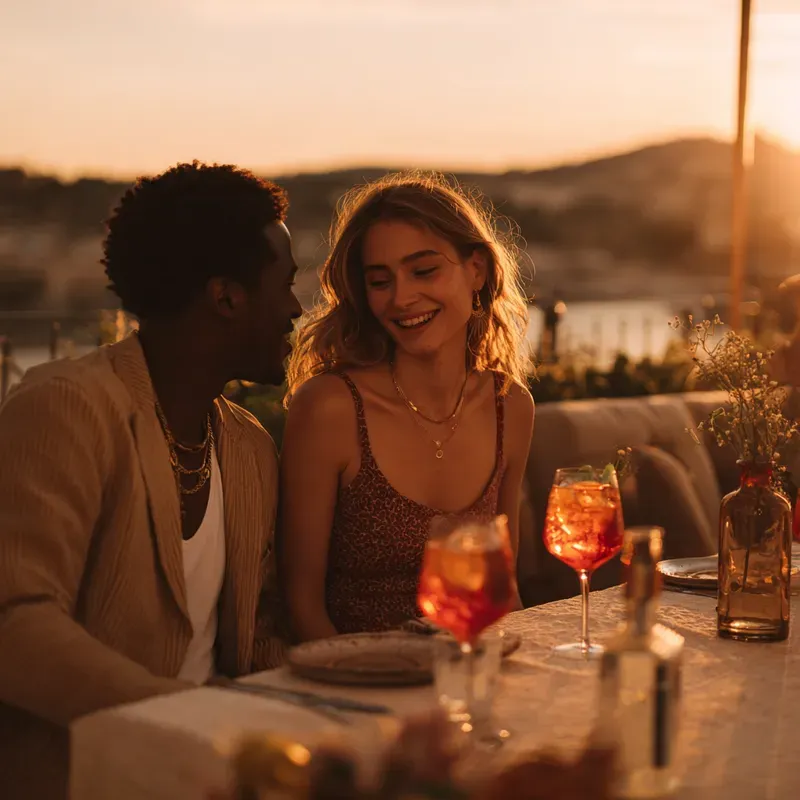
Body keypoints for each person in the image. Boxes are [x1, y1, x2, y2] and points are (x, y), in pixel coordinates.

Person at [0, 161, 302, 799]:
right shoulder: (66, 407)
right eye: (286, 285)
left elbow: (260, 639)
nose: (297, 310)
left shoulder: (249, 447)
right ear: (227, 298)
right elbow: (15, 623)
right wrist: (191, 717)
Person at [280, 172, 535, 641]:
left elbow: (502, 593)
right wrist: (368, 681)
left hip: (471, 669)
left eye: (424, 271)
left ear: (476, 270)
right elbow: (301, 608)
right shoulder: (330, 408)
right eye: (380, 281)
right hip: (353, 675)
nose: (401, 298)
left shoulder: (510, 407)